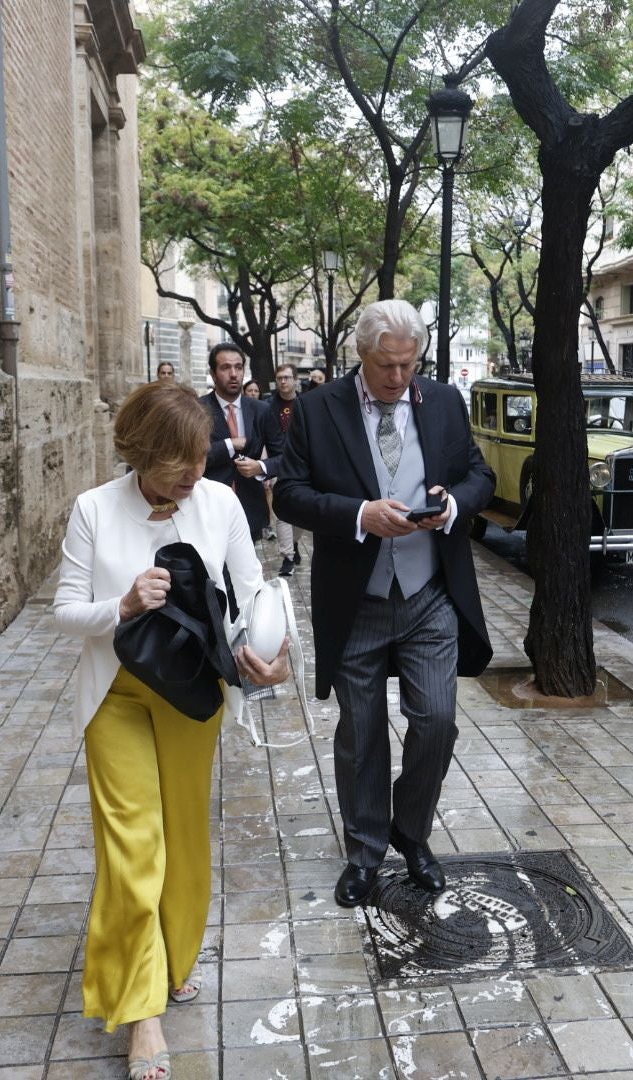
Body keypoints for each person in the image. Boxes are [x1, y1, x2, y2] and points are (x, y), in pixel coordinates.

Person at [54, 381, 290, 1080]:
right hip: (117, 698)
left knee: (184, 834)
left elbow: (252, 594)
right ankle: (141, 1014)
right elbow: (65, 612)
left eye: (198, 459)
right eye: (176, 463)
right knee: (133, 849)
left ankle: (173, 958)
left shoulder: (218, 503)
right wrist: (121, 605)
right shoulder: (94, 509)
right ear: (139, 453)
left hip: (192, 697)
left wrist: (270, 660)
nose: (192, 474)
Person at [274, 299, 495, 908]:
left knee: (437, 721)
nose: (399, 378)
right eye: (386, 365)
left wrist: (454, 506)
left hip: (429, 596)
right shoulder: (319, 410)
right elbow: (288, 495)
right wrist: (358, 515)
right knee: (362, 732)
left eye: (408, 364)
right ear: (361, 355)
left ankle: (412, 831)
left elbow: (480, 476)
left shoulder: (445, 400)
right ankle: (366, 854)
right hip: (358, 602)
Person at [200, 344, 284, 540]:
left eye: (238, 367)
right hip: (209, 508)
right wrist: (230, 444)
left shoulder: (260, 409)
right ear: (213, 373)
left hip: (250, 509)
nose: (233, 374)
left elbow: (283, 456)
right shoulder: (198, 408)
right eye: (225, 367)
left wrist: (260, 467)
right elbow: (192, 455)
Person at [266, 363, 306, 578]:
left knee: (302, 511)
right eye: (280, 377)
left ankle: (295, 542)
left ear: (295, 380)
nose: (283, 381)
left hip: (304, 463)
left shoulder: (307, 403)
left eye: (287, 377)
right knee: (281, 512)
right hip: (277, 464)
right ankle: (288, 557)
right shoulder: (268, 406)